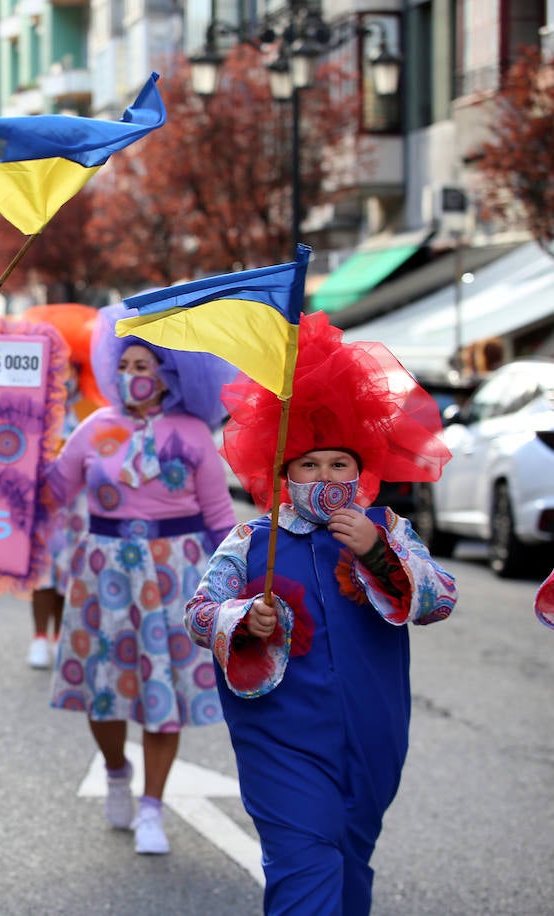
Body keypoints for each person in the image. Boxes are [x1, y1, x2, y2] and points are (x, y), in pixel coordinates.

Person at [186, 312, 456, 915]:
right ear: (284, 474)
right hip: (281, 736)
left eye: (340, 464)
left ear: (361, 472)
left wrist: (377, 552)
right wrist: (239, 620)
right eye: (309, 464)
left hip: (373, 730)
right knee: (304, 862)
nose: (326, 476)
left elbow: (440, 598)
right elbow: (198, 613)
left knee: (349, 857)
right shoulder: (252, 540)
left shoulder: (388, 530)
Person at [46, 303, 239, 855]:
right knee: (103, 694)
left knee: (164, 693)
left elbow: (220, 519)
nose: (135, 374)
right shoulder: (93, 427)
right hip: (102, 571)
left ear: (170, 374)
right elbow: (52, 493)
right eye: (126, 363)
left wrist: (232, 584)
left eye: (146, 364)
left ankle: (153, 807)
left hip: (174, 572)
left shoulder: (194, 433)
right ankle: (114, 771)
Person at [21, 304, 104, 669]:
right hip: (43, 506)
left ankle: (60, 637)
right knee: (43, 572)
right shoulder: (34, 409)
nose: (63, 373)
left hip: (81, 510)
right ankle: (40, 637)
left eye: (69, 365)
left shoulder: (91, 410)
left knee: (72, 573)